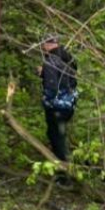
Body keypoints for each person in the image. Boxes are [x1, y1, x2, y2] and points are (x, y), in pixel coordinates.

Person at [38, 34, 78, 162]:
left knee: (56, 136)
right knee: (60, 134)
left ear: (46, 44)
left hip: (57, 107)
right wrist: (43, 73)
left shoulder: (50, 62)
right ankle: (63, 162)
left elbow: (51, 88)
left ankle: (62, 169)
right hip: (69, 103)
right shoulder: (67, 57)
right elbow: (66, 78)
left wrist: (45, 100)